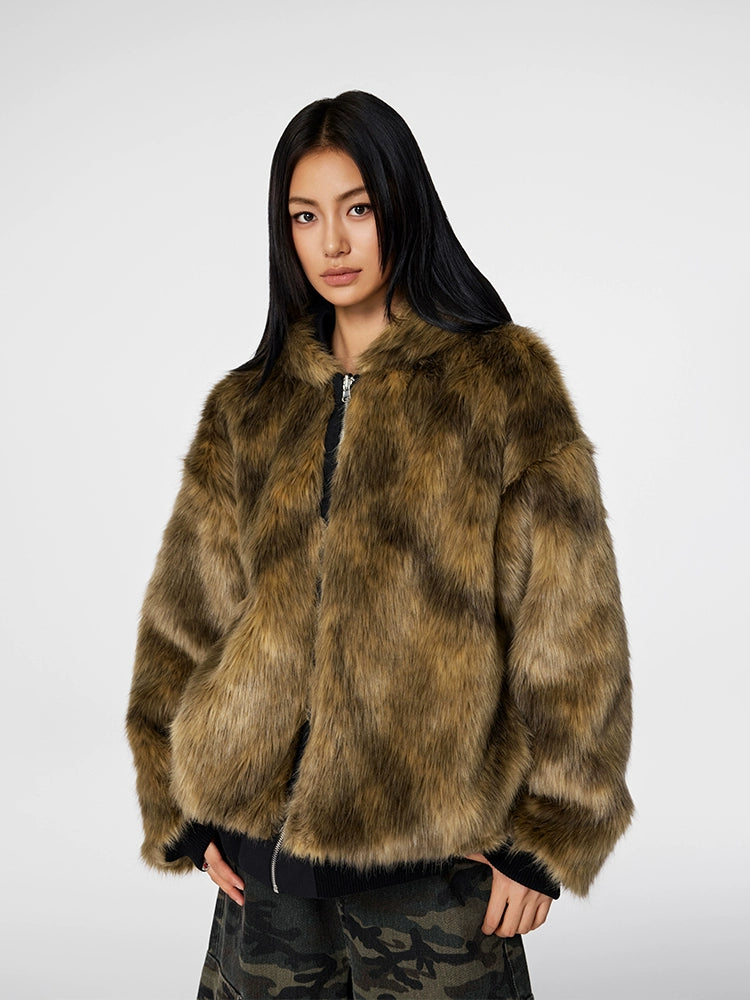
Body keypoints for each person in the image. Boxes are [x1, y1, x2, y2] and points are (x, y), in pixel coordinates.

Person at [127, 90, 633, 999]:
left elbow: (570, 623)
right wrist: (182, 811)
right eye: (305, 216)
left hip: (435, 868)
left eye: (357, 209)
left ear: (403, 206)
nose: (332, 242)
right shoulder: (248, 406)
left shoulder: (501, 384)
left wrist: (549, 834)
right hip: (263, 869)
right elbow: (185, 619)